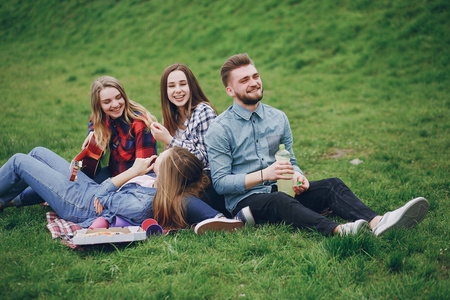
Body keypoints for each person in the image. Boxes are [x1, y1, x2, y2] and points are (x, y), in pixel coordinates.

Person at [205, 53, 429, 236]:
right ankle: (339, 230)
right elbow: (221, 183)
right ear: (230, 90)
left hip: (283, 191)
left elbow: (288, 160)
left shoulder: (277, 118)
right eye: (244, 80)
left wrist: (298, 176)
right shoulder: (220, 128)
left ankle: (379, 222)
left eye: (255, 76)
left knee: (332, 184)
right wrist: (265, 175)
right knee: (279, 201)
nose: (253, 83)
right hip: (246, 202)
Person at [0, 146, 251, 233]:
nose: (157, 156)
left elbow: (102, 196)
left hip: (78, 205)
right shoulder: (156, 181)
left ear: (167, 177)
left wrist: (133, 171)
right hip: (88, 188)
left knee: (20, 161)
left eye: (161, 158)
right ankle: (10, 201)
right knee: (37, 153)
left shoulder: (144, 204)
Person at [7, 76, 159, 209]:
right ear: (99, 105)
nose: (115, 104)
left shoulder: (140, 125)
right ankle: (11, 200)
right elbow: (94, 119)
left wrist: (111, 188)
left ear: (124, 96)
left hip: (128, 184)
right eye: (107, 101)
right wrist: (92, 132)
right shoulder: (105, 116)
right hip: (110, 172)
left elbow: (144, 171)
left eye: (118, 97)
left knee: (69, 186)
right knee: (71, 178)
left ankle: (11, 201)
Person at [150, 63, 231, 217]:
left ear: (191, 86)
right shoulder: (171, 117)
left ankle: (218, 218)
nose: (178, 90)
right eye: (171, 86)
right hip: (185, 180)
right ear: (165, 91)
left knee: (177, 201)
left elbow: (205, 158)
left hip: (208, 180)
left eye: (183, 84)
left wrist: (169, 139)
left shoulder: (203, 111)